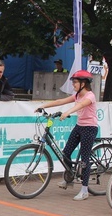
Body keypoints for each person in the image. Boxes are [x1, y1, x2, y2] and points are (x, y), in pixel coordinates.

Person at [36, 69, 97, 200]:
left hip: (90, 128)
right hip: (79, 127)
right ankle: (69, 179)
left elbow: (80, 106)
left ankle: (85, 190)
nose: (73, 85)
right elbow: (60, 101)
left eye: (75, 82)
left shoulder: (90, 96)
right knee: (66, 153)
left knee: (84, 160)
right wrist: (43, 106)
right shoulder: (77, 96)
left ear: (83, 83)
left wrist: (67, 112)